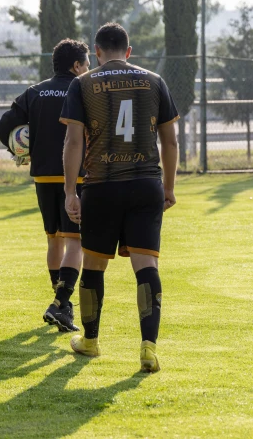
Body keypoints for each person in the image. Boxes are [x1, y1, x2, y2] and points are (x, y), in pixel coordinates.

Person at [59, 23, 179, 373]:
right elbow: (169, 141)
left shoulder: (83, 84)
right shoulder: (154, 81)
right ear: (129, 51)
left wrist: (70, 191)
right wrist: (168, 188)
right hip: (145, 185)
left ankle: (91, 341)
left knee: (94, 265)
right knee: (146, 266)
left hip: (101, 186)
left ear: (96, 52)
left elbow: (73, 142)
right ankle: (148, 348)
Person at [0, 39, 90, 332]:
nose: (89, 68)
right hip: (77, 177)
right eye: (87, 63)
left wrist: (20, 152)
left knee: (54, 241)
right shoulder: (84, 90)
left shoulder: (34, 92)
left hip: (43, 177)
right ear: (76, 66)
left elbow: (1, 127)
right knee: (76, 242)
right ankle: (60, 303)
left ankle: (62, 304)